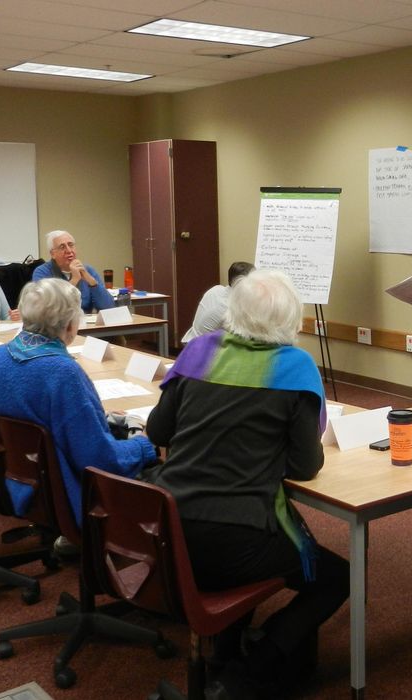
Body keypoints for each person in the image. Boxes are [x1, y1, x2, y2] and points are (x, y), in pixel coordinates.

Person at [141, 269, 348, 699]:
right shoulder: (294, 367)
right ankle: (250, 673)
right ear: (291, 319)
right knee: (335, 577)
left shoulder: (198, 353)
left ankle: (225, 651)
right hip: (237, 542)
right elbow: (305, 466)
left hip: (165, 530)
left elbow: (159, 433)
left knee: (259, 536)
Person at [0, 278, 154, 524]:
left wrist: (92, 415)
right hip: (64, 492)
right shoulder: (63, 372)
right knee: (153, 457)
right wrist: (144, 444)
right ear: (70, 324)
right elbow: (101, 459)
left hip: (17, 480)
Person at [30, 229, 114, 313]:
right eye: (62, 247)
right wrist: (74, 280)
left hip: (86, 324)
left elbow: (109, 307)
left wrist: (92, 283)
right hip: (56, 324)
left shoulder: (88, 270)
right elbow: (44, 308)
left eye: (71, 245)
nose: (69, 251)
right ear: (53, 254)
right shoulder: (42, 272)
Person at [180, 260, 254, 343]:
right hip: (204, 350)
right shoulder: (230, 307)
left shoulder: (216, 289)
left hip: (191, 341)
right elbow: (247, 335)